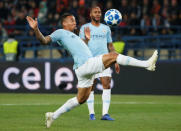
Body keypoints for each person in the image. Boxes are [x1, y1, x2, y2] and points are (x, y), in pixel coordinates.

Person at [26, 13, 158, 128]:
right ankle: (146, 64)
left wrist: (86, 40)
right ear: (64, 23)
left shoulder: (75, 37)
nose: (75, 22)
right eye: (71, 20)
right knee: (113, 56)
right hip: (85, 66)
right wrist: (36, 29)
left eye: (75, 20)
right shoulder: (60, 32)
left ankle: (53, 116)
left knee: (80, 100)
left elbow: (80, 49)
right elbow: (44, 41)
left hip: (83, 69)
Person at [79, 6, 119, 121]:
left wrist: (115, 59)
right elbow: (81, 46)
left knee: (106, 84)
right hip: (90, 60)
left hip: (104, 60)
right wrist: (87, 39)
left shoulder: (106, 28)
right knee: (90, 87)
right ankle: (92, 114)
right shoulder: (85, 28)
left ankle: (105, 114)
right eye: (95, 12)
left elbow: (110, 46)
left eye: (99, 12)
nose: (97, 14)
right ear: (90, 14)